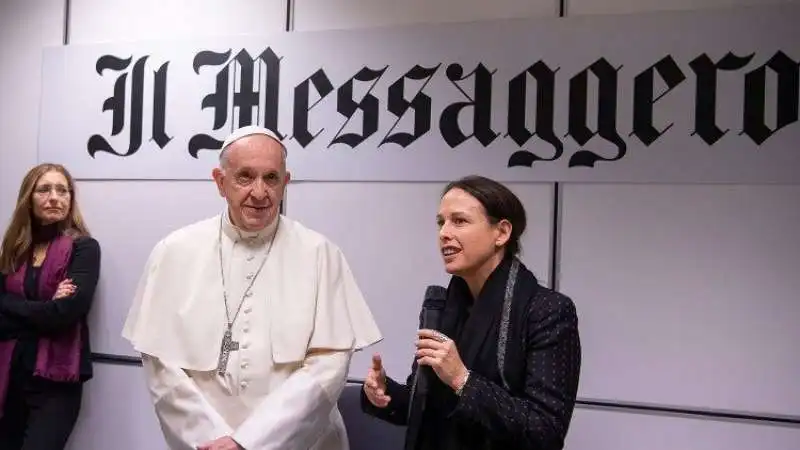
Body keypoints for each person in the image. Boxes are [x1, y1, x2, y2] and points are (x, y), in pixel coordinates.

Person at [122, 125, 382, 450]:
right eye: (245, 176)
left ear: (285, 183)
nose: (260, 193)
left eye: (271, 178)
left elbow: (327, 367)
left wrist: (249, 443)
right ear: (220, 182)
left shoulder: (320, 254)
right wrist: (214, 441)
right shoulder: (173, 252)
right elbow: (163, 369)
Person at [361, 175, 581, 450]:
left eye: (459, 221)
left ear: (501, 233)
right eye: (441, 222)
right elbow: (427, 407)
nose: (444, 233)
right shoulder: (441, 308)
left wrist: (462, 380)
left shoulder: (547, 311)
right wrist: (384, 392)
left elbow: (544, 431)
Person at [0, 163, 101, 450]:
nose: (55, 197)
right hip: (9, 376)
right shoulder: (14, 251)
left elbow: (65, 314)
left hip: (55, 384)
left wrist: (8, 304)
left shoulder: (84, 248)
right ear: (28, 198)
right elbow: (49, 312)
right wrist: (44, 306)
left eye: (62, 190)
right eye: (44, 189)